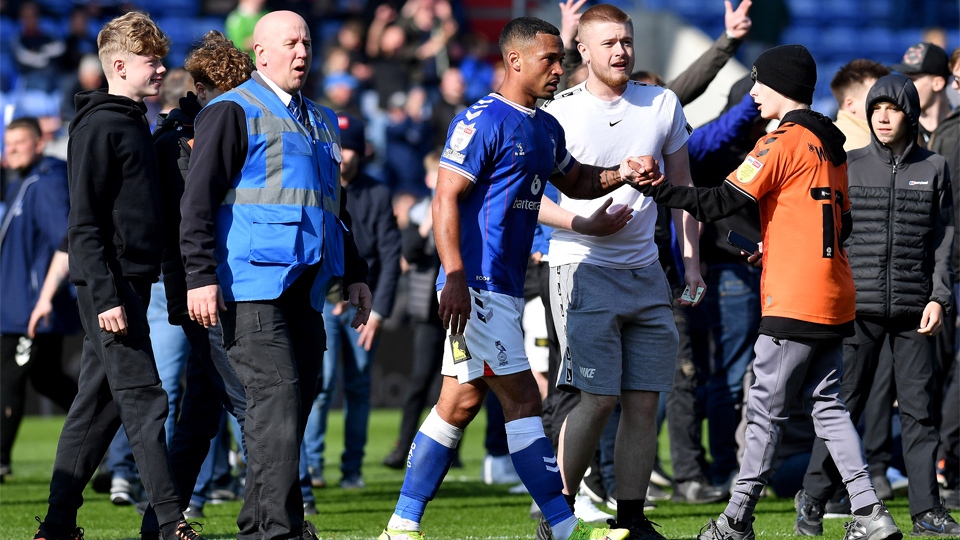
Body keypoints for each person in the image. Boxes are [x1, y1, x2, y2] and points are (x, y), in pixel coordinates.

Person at [377, 15, 657, 540]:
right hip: (476, 285)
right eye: (549, 59)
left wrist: (621, 173)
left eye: (560, 58)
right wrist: (455, 275)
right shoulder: (482, 120)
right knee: (526, 400)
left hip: (499, 286)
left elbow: (574, 179)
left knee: (457, 405)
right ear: (514, 60)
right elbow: (444, 198)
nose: (559, 68)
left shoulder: (545, 126)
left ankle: (401, 524)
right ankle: (565, 525)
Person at [633, 44, 901, 540]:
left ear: (782, 87)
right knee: (828, 405)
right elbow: (840, 226)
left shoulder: (779, 141)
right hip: (835, 291)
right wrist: (777, 244)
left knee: (762, 410)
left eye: (759, 82)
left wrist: (655, 187)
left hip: (795, 297)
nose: (753, 92)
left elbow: (716, 202)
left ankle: (736, 520)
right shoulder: (832, 142)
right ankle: (870, 511)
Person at [179, 11, 372, 540]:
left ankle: (262, 525)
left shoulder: (322, 120)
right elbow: (196, 203)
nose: (302, 51)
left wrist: (355, 273)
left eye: (307, 42)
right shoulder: (230, 111)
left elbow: (336, 209)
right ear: (260, 53)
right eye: (290, 42)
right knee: (277, 407)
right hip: (249, 288)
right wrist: (200, 275)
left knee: (286, 413)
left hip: (307, 291)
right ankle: (277, 531)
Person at [32, 12, 204, 540]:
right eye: (152, 62)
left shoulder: (130, 120)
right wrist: (107, 295)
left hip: (128, 281)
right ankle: (171, 523)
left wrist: (178, 123)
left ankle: (57, 525)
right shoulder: (103, 125)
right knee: (147, 398)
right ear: (121, 65)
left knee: (99, 407)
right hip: (111, 287)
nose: (160, 70)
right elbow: (83, 223)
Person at [533, 6, 703, 538]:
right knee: (598, 397)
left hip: (647, 271)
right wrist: (583, 223)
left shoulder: (662, 103)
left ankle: (630, 517)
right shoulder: (558, 112)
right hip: (579, 266)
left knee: (643, 400)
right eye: (608, 43)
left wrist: (691, 263)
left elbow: (684, 194)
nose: (621, 51)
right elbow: (527, 197)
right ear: (582, 50)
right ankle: (558, 510)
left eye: (626, 41)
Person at [793, 73, 958, 538]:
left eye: (894, 108)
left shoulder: (936, 168)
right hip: (856, 310)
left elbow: (945, 240)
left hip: (914, 310)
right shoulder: (848, 163)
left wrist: (939, 295)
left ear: (910, 114)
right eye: (877, 108)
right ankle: (814, 497)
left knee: (919, 411)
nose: (884, 116)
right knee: (843, 406)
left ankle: (927, 510)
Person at [138, 29, 255, 532]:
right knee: (254, 406)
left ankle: (158, 524)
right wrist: (196, 283)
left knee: (202, 415)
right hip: (203, 288)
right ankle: (277, 519)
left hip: (203, 283)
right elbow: (192, 215)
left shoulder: (182, 132)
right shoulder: (182, 138)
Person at [302, 112, 402, 490]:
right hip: (324, 302)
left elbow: (391, 255)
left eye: (351, 148)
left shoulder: (376, 193)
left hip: (363, 304)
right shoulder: (317, 184)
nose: (344, 155)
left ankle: (352, 471)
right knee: (321, 386)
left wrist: (378, 310)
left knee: (359, 387)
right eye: (339, 147)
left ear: (364, 150)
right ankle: (312, 467)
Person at [0, 117, 77, 482]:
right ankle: (112, 428)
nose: (11, 148)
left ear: (38, 143)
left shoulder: (45, 183)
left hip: (30, 307)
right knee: (46, 379)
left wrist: (44, 297)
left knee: (9, 380)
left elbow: (64, 239)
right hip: (16, 304)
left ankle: (0, 459)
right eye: (8, 142)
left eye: (19, 142)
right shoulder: (22, 183)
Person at [891, 42, 953, 145]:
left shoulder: (957, 130)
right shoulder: (898, 130)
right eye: (903, 79)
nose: (904, 86)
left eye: (912, 80)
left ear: (937, 84)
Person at [830, 60, 891, 152]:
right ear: (850, 105)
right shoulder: (861, 148)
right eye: (877, 98)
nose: (888, 103)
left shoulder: (827, 135)